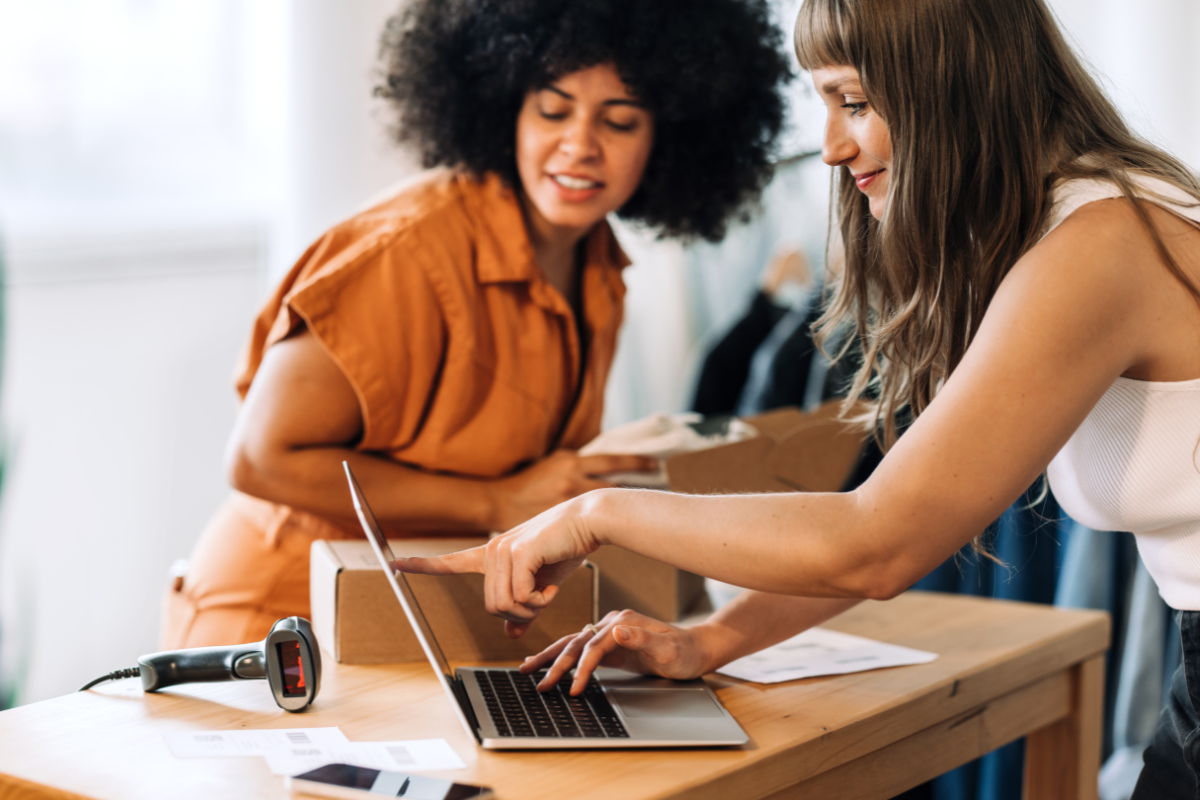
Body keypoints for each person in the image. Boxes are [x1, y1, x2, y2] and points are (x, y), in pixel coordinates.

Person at [394, 0, 1200, 796]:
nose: (829, 147)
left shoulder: (1099, 247)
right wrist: (708, 641)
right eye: (824, 104)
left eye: (853, 101)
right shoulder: (1077, 225)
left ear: (953, 85)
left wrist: (595, 514)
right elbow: (896, 513)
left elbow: (880, 544)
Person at [160, 0, 792, 650]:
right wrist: (497, 500)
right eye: (552, 109)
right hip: (278, 625)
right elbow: (260, 459)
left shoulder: (599, 265)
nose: (580, 144)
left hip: (413, 629)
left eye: (621, 121)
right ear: (505, 106)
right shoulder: (405, 251)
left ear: (669, 137)